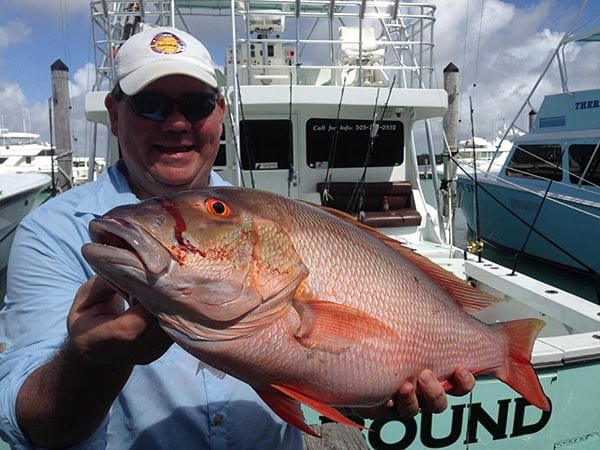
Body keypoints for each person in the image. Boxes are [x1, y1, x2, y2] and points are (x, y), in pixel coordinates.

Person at [0, 26, 474, 449]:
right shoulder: (53, 233)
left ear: (220, 112)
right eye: (151, 104)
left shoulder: (269, 215)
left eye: (197, 103)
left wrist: (365, 391)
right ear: (114, 113)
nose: (177, 123)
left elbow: (326, 360)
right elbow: (34, 427)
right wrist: (93, 362)